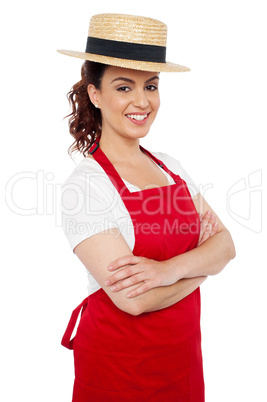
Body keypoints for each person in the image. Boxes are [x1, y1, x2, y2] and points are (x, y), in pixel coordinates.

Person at [58, 13, 235, 402]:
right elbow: (134, 300)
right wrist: (203, 269)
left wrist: (167, 270)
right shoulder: (86, 187)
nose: (142, 102)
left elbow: (226, 245)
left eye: (151, 86)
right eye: (124, 87)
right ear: (95, 94)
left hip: (182, 363)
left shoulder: (170, 167)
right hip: (117, 368)